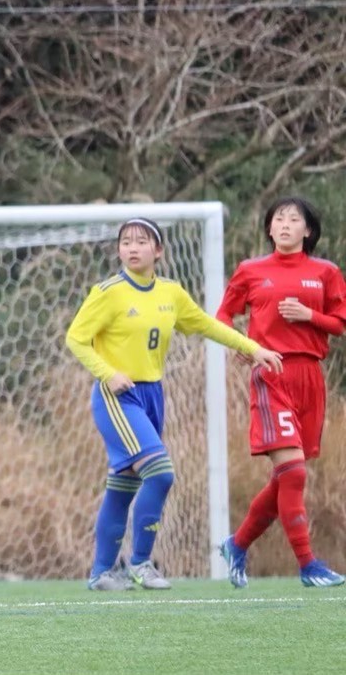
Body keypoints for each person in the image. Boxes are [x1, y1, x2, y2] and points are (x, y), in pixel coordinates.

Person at [65, 218, 281, 591]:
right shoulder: (108, 292)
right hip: (117, 397)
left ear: (159, 251)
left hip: (152, 395)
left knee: (124, 484)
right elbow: (76, 338)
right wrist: (107, 373)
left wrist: (253, 348)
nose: (132, 248)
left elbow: (207, 325)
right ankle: (140, 563)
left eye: (141, 241)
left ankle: (101, 573)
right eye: (126, 242)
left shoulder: (171, 293)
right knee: (161, 472)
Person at [216, 197, 346, 588]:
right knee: (293, 471)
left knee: (287, 477)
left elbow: (340, 323)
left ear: (308, 230)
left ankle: (237, 545)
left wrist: (310, 316)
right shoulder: (251, 270)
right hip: (270, 372)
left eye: (294, 219)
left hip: (310, 377)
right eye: (278, 219)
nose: (285, 224)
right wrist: (241, 344)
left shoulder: (325, 272)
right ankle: (308, 565)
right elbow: (223, 315)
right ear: (270, 229)